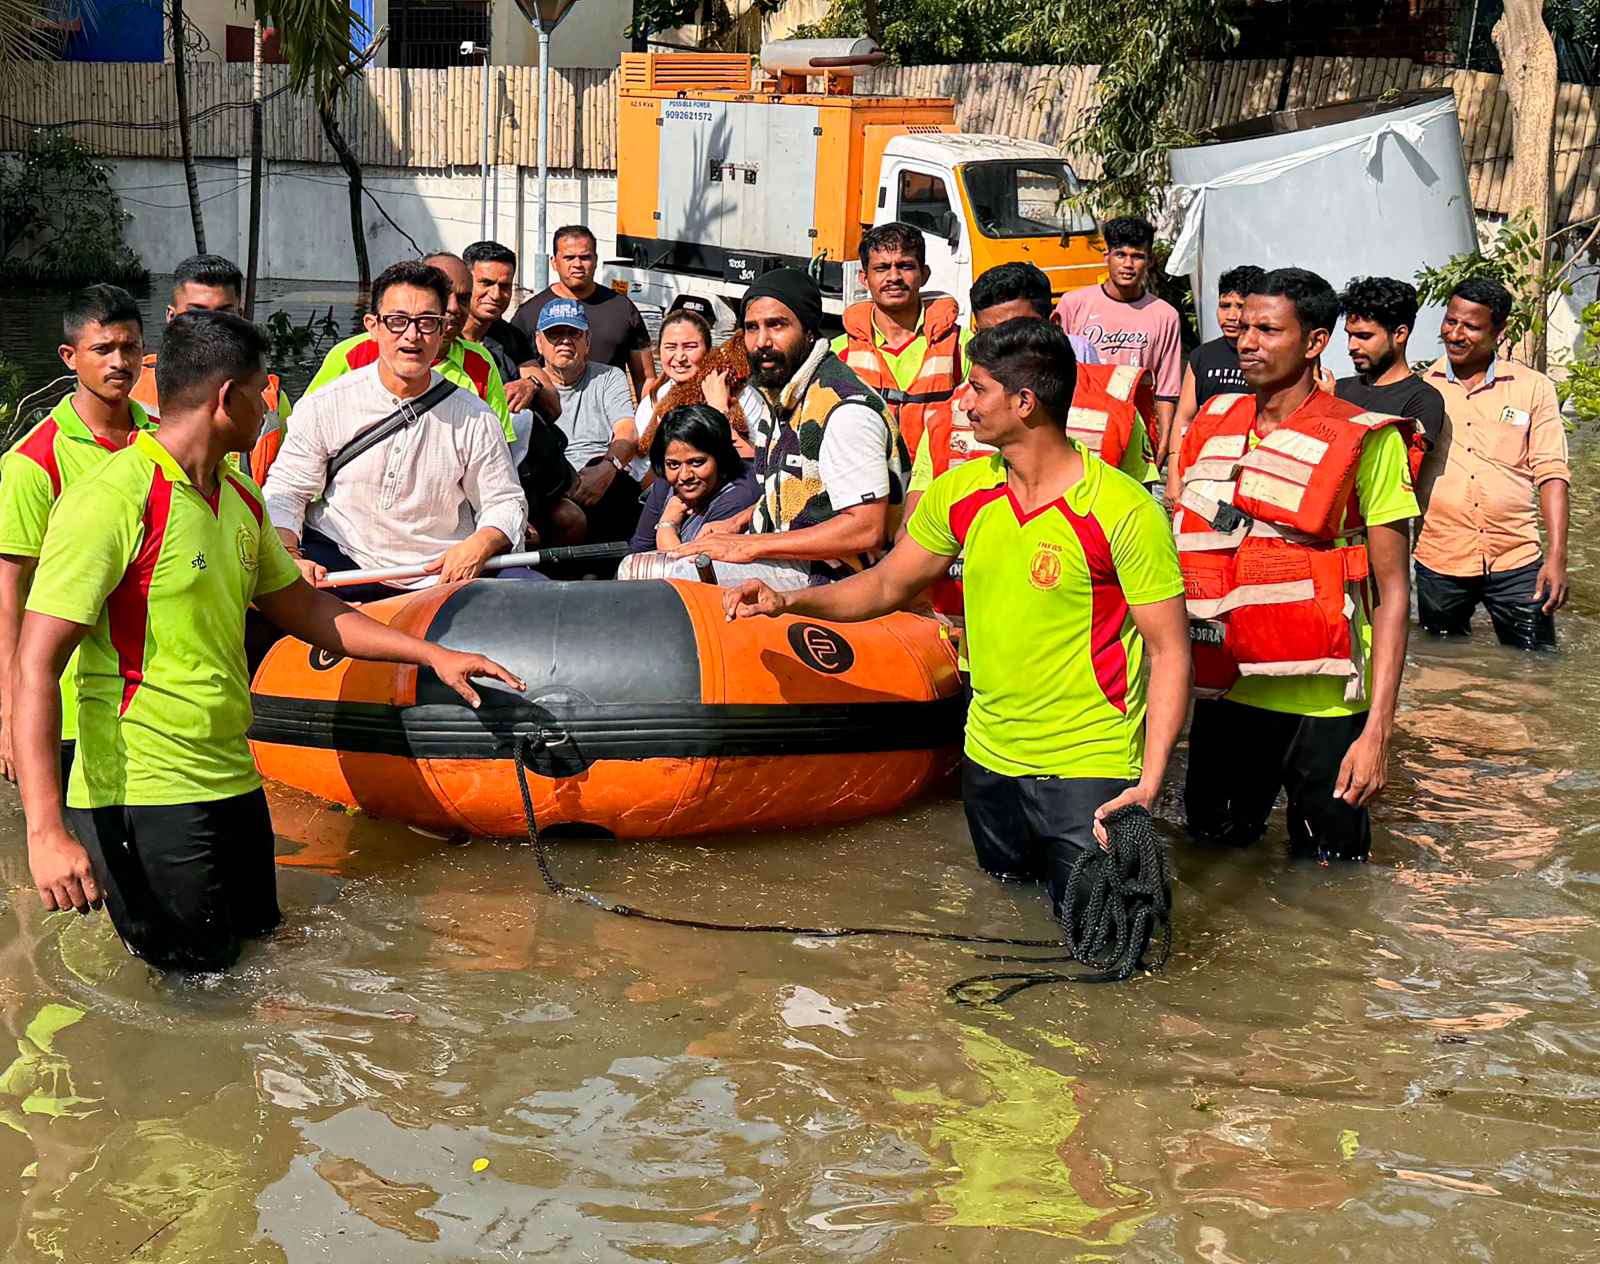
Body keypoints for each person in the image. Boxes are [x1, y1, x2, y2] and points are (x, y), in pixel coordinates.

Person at [11, 309, 523, 972]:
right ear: (228, 397)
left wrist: (430, 654)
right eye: (263, 392)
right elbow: (36, 666)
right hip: (142, 790)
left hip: (230, 775)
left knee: (256, 958)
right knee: (197, 990)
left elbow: (307, 608)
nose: (271, 409)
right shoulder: (111, 501)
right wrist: (46, 832)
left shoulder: (241, 496)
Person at [724, 319, 1189, 921]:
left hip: (1090, 768)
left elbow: (1170, 652)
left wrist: (1148, 788)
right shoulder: (963, 491)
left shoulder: (1122, 509)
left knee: (1106, 951)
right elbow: (889, 584)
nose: (962, 403)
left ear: (1024, 403)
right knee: (1002, 915)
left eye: (977, 389)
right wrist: (788, 603)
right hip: (989, 759)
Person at [1173, 268, 1417, 862]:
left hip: (1326, 707)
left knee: (1332, 878)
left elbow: (1391, 592)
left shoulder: (1367, 440)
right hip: (1227, 696)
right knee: (1208, 857)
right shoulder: (1211, 422)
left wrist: (1377, 732)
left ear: (1314, 342)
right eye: (1245, 328)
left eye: (1268, 329)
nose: (1248, 341)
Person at [263, 260, 530, 600]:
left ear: (444, 327)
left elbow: (504, 502)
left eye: (427, 323)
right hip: (342, 561)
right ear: (372, 326)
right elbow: (286, 491)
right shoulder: (326, 403)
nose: (412, 336)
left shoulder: (475, 416)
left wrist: (480, 544)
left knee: (535, 599)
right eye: (397, 321)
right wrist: (290, 555)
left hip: (443, 573)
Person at [666, 268, 908, 589]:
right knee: (644, 565)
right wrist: (736, 523)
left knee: (668, 577)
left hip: (839, 581)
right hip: (793, 561)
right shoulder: (785, 395)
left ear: (809, 331)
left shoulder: (844, 410)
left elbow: (865, 528)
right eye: (752, 328)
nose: (762, 341)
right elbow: (804, 496)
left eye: (776, 325)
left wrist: (748, 546)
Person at [0, 285, 153, 787]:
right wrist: (10, 706)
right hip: (63, 700)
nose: (119, 362)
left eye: (129, 348)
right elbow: (8, 593)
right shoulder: (33, 462)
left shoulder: (160, 440)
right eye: (103, 349)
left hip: (148, 694)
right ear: (70, 357)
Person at [1413, 277, 1569, 649]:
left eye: (1470, 326)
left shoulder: (1533, 388)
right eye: (1450, 321)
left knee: (1537, 665)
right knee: (1441, 664)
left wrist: (1557, 557)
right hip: (1440, 556)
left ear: (1499, 331)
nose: (1455, 334)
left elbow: (1552, 474)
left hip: (1517, 558)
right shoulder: (1421, 389)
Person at [304, 252, 516, 443]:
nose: (452, 307)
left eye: (462, 299)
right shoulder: (351, 355)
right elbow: (307, 430)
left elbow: (497, 448)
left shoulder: (480, 363)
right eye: (443, 295)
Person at [129, 253, 292, 483]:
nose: (212, 326)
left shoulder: (270, 398)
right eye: (197, 313)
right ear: (171, 316)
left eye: (224, 314)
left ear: (241, 317)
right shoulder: (129, 387)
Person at [1055, 216, 1183, 465]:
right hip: (1080, 427)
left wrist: (1164, 442)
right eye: (1120, 255)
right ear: (1106, 256)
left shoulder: (1166, 315)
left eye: (1137, 256)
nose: (1128, 264)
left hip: (1137, 433)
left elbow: (1166, 392)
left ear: (1150, 260)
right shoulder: (1073, 304)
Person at [832, 222, 963, 463]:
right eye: (882, 268)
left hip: (937, 486)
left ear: (924, 275)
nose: (894, 277)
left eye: (905, 266)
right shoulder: (838, 352)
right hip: (868, 489)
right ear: (864, 278)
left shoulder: (962, 346)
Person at [535, 298, 643, 543]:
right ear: (539, 343)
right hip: (553, 487)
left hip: (604, 480)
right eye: (555, 334)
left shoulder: (609, 377)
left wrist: (609, 466)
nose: (565, 340)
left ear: (588, 341)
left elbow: (627, 431)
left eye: (573, 333)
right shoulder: (529, 384)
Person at [510, 225, 653, 399]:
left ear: (595, 260)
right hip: (549, 419)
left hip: (611, 419)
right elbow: (513, 376)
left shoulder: (623, 309)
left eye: (585, 257)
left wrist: (647, 421)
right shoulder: (529, 313)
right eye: (569, 258)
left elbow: (645, 379)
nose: (577, 264)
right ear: (554, 262)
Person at [1167, 264, 1263, 499]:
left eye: (1240, 307)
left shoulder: (1268, 356)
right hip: (1202, 473)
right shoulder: (1202, 356)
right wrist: (1173, 475)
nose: (1231, 315)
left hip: (1251, 476)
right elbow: (1184, 418)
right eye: (1224, 305)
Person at [1334, 276, 1445, 480]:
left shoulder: (1422, 400)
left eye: (1364, 336)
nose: (1352, 346)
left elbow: (1394, 475)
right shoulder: (1336, 390)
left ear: (1400, 334)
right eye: (1349, 335)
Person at [621, 404, 759, 561]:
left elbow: (690, 569)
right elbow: (637, 551)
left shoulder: (739, 495)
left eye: (697, 462)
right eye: (673, 464)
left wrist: (667, 525)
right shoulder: (667, 481)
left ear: (720, 458)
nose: (685, 475)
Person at [634, 306, 769, 465]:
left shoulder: (743, 396)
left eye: (690, 347)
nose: (679, 357)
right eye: (670, 347)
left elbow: (758, 461)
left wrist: (719, 410)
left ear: (708, 351)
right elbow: (640, 462)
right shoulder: (655, 398)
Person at [460, 239, 560, 422]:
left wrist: (531, 385)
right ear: (465, 282)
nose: (496, 295)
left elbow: (554, 405)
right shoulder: (442, 335)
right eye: (485, 283)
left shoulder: (511, 337)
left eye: (504, 286)